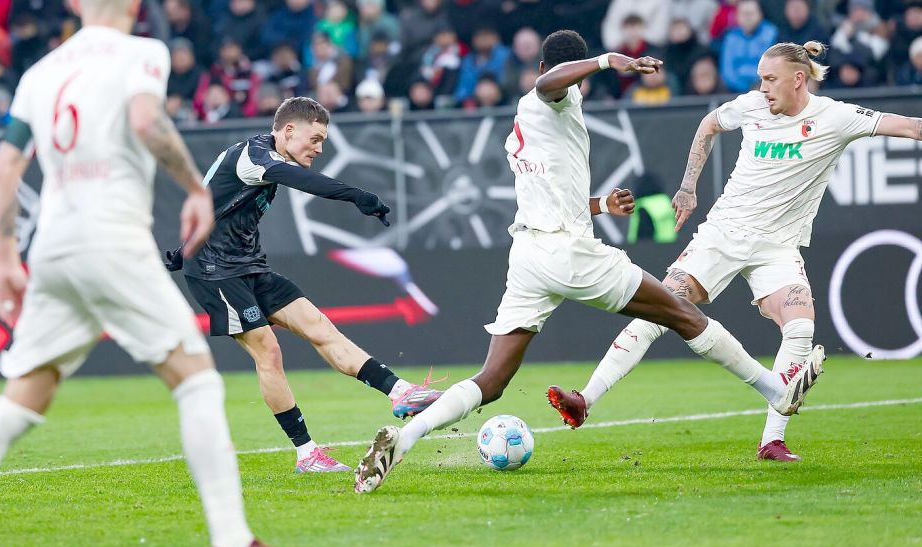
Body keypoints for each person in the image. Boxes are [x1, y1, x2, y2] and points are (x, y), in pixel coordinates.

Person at [354, 30, 825, 494]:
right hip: (567, 252)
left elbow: (553, 189)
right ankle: (775, 392)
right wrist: (606, 61)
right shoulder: (548, 98)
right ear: (562, 73)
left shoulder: (538, 117)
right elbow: (548, 85)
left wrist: (600, 206)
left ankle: (405, 438)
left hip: (530, 256)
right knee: (684, 314)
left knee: (492, 379)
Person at [0, 1, 274, 547]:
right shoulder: (142, 51)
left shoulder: (41, 72)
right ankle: (233, 540)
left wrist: (4, 259)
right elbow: (145, 120)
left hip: (53, 247)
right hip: (112, 237)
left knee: (20, 401)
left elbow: (4, 171)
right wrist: (195, 187)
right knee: (197, 381)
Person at [555, 40, 922, 462]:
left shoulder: (836, 117)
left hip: (778, 247)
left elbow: (911, 127)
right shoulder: (751, 107)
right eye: (760, 80)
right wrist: (688, 186)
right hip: (723, 235)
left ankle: (772, 441)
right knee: (659, 309)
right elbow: (709, 125)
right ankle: (585, 399)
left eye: (770, 79)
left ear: (798, 79)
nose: (762, 88)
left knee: (801, 328)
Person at [165, 97, 443, 473]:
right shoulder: (255, 155)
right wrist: (358, 196)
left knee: (319, 326)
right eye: (315, 139)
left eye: (323, 141)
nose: (320, 148)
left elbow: (214, 198)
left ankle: (401, 392)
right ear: (288, 130)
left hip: (247, 264)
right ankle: (307, 454)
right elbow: (303, 181)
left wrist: (183, 248)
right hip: (214, 272)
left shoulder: (263, 158)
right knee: (269, 350)